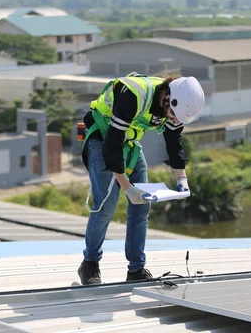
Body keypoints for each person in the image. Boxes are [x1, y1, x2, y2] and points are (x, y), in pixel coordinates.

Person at [78, 71, 205, 285]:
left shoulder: (174, 106)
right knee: (106, 205)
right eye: (172, 113)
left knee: (142, 205)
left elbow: (174, 141)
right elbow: (111, 147)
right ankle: (89, 264)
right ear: (167, 97)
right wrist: (127, 188)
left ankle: (136, 269)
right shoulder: (133, 94)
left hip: (129, 142)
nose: (173, 119)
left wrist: (182, 178)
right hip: (102, 138)